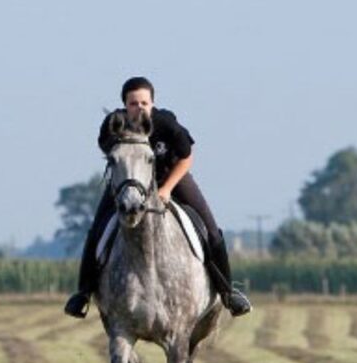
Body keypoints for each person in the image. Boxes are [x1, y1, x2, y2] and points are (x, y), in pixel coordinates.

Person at [63, 76, 252, 319]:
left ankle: (228, 293)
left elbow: (186, 157)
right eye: (133, 103)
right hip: (127, 184)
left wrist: (166, 190)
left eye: (144, 102)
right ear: (124, 105)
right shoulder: (113, 124)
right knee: (97, 230)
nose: (139, 107)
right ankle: (84, 293)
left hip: (170, 177)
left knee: (211, 230)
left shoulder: (166, 123)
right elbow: (110, 154)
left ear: (152, 103)